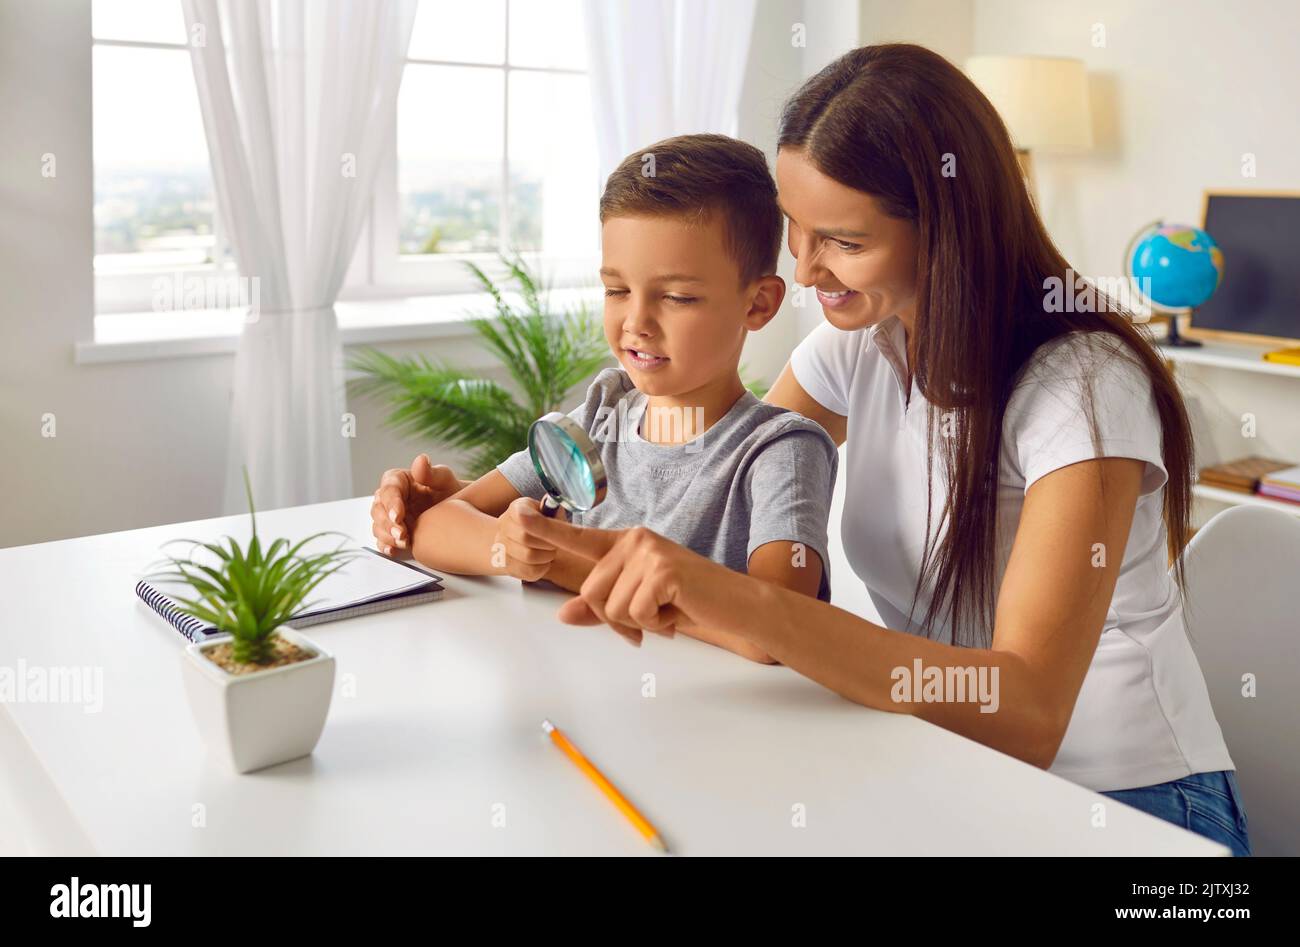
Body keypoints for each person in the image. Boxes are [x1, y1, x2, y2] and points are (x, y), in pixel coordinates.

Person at [371, 46, 1250, 855]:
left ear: (948, 228)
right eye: (795, 224)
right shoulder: (853, 348)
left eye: (845, 241)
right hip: (943, 764)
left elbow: (1023, 709)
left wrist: (742, 605)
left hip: (1125, 804)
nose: (804, 267)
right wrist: (494, 515)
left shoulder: (1082, 387)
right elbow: (711, 479)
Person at [402, 134, 838, 665]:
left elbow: (781, 629)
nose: (636, 323)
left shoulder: (780, 451)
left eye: (677, 297)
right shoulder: (603, 413)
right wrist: (510, 549)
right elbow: (435, 526)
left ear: (759, 303)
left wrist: (556, 560)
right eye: (617, 290)